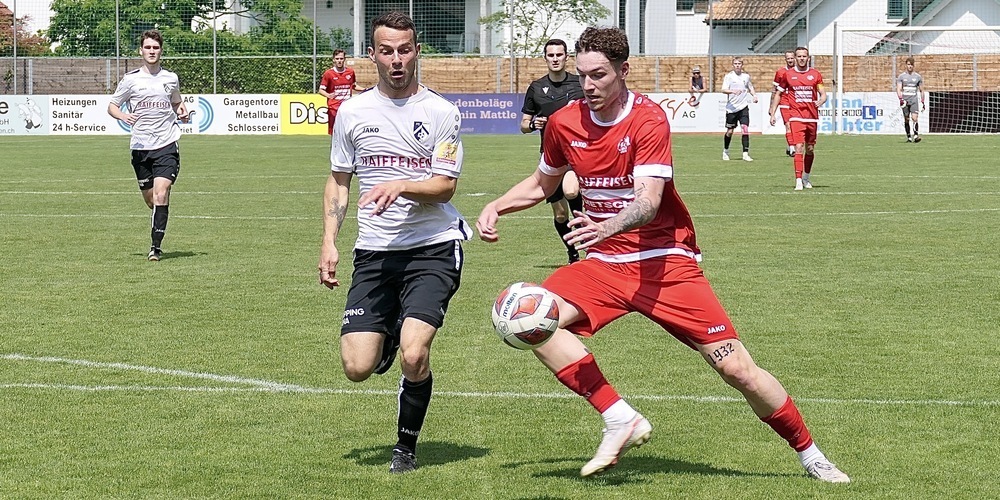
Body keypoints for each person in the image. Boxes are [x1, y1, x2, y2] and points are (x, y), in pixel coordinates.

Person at [477, 27, 849, 483]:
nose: (589, 85)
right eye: (583, 76)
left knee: (737, 369)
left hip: (665, 260)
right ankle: (618, 416)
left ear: (623, 71)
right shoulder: (563, 123)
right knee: (525, 316)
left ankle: (809, 453)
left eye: (599, 75)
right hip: (604, 266)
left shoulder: (648, 120)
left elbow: (649, 201)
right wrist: (497, 205)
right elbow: (542, 182)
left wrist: (602, 226)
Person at [318, 10, 471, 475]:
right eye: (387, 51)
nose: (397, 59)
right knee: (357, 367)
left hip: (433, 247)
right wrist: (329, 240)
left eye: (405, 50)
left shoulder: (441, 112)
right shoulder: (353, 112)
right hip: (375, 252)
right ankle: (382, 341)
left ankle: (405, 447)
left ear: (417, 51)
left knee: (415, 352)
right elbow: (339, 180)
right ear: (373, 55)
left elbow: (445, 187)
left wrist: (400, 185)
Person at [107, 29, 189, 261]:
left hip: (167, 144)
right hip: (141, 147)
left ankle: (155, 247)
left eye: (156, 47)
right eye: (148, 47)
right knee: (152, 200)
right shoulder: (131, 80)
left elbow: (176, 101)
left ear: (161, 51)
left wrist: (181, 111)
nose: (152, 51)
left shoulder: (170, 78)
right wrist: (123, 117)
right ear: (141, 50)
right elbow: (112, 106)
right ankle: (158, 218)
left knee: (162, 194)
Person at [520, 38, 585, 264]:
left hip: (576, 155)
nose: (555, 59)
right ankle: (573, 254)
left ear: (567, 57)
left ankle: (588, 242)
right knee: (560, 214)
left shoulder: (580, 84)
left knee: (571, 191)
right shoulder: (536, 88)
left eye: (559, 55)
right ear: (545, 58)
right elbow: (523, 125)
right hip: (549, 158)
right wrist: (533, 124)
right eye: (551, 55)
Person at [770, 47, 827, 191]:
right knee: (799, 147)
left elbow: (822, 92)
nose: (802, 58)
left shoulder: (815, 74)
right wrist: (772, 112)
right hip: (796, 116)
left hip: (812, 117)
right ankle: (798, 180)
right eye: (799, 56)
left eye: (804, 56)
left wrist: (822, 100)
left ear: (808, 58)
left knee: (810, 148)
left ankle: (806, 177)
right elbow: (778, 93)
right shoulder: (788, 75)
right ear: (795, 58)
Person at [721, 57, 758, 162]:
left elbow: (750, 86)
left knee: (745, 129)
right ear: (733, 65)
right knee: (729, 131)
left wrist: (754, 95)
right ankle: (726, 151)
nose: (737, 65)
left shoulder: (746, 76)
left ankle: (745, 154)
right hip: (732, 108)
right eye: (735, 64)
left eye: (739, 63)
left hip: (743, 107)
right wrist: (732, 91)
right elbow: (723, 90)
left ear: (742, 65)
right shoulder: (729, 77)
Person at [318, 48, 360, 135]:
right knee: (335, 133)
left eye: (341, 58)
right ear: (333, 60)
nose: (339, 61)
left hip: (347, 107)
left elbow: (354, 86)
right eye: (337, 59)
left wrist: (366, 89)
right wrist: (328, 95)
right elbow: (321, 90)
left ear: (344, 59)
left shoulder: (350, 72)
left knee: (348, 132)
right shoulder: (328, 73)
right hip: (334, 108)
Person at [769, 51, 797, 156]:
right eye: (788, 58)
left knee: (795, 126)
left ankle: (790, 144)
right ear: (785, 59)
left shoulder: (799, 72)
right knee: (788, 125)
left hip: (796, 103)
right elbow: (774, 91)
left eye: (792, 58)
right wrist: (771, 107)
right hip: (785, 102)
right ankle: (792, 148)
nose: (790, 60)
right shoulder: (780, 72)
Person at [896, 56, 925, 143]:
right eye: (908, 64)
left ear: (913, 65)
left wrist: (923, 101)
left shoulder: (918, 77)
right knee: (906, 119)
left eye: (911, 65)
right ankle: (909, 136)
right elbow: (899, 89)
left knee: (915, 118)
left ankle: (916, 135)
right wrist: (901, 99)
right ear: (906, 65)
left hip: (914, 100)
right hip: (905, 100)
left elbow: (922, 90)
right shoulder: (901, 77)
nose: (910, 66)